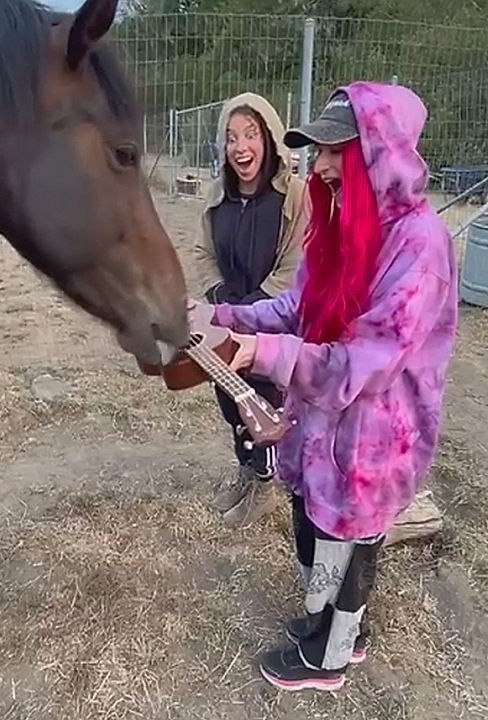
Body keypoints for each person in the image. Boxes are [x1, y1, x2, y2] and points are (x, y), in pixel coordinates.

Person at [199, 82, 458, 691]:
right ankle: (327, 624)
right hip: (329, 421)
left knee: (354, 527)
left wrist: (261, 351)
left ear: (380, 151)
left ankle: (333, 656)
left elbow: (367, 361)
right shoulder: (343, 223)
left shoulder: (419, 245)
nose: (318, 166)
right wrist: (224, 317)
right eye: (317, 152)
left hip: (378, 431)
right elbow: (298, 306)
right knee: (320, 520)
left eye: (334, 150)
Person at [193, 92, 308, 530]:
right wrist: (219, 296)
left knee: (267, 403)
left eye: (251, 134)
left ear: (271, 139)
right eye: (231, 138)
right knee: (229, 397)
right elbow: (203, 253)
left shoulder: (294, 197)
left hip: (270, 324)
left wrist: (253, 308)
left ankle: (266, 481)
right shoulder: (217, 198)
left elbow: (297, 265)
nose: (241, 148)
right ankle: (247, 468)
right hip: (225, 318)